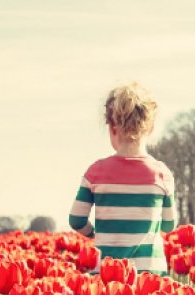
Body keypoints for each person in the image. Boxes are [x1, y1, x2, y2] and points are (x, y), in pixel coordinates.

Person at [69, 82, 176, 275]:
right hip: (149, 273)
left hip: (107, 273)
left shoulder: (96, 172)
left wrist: (94, 234)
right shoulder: (161, 174)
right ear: (150, 128)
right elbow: (169, 225)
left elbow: (76, 220)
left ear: (112, 128)